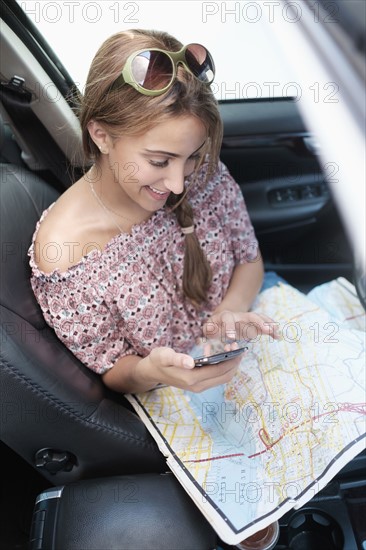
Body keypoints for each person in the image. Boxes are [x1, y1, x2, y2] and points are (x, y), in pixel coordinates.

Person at [29, 29, 280, 395]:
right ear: (101, 135)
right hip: (172, 394)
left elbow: (249, 260)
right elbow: (114, 369)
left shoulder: (202, 175)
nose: (178, 184)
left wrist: (228, 313)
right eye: (159, 161)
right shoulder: (66, 256)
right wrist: (149, 370)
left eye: (191, 157)